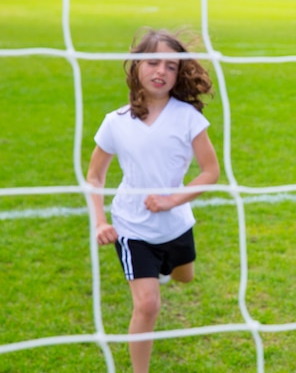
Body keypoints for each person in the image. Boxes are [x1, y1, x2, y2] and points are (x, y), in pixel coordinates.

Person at [86, 28, 220, 373]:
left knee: (184, 277)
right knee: (147, 305)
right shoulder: (114, 123)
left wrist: (173, 200)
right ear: (135, 67)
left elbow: (210, 172)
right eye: (153, 62)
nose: (161, 71)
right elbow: (95, 176)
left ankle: (164, 270)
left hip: (176, 224)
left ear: (179, 75)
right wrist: (101, 221)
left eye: (171, 66)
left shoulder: (189, 118)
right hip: (132, 228)